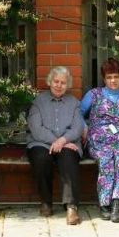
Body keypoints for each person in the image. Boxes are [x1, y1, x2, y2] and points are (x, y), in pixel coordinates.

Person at [81, 58, 119, 223]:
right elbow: (78, 113)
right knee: (106, 160)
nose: (113, 80)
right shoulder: (93, 95)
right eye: (109, 77)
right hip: (99, 139)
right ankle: (105, 205)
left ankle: (117, 204)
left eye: (116, 76)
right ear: (104, 79)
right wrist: (84, 127)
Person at [26, 66, 84, 225]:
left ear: (68, 84)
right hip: (42, 143)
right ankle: (46, 202)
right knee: (40, 157)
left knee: (68, 158)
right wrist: (55, 141)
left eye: (63, 83)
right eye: (56, 81)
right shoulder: (38, 101)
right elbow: (36, 128)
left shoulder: (74, 103)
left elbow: (78, 127)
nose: (59, 85)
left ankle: (71, 207)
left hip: (68, 144)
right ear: (50, 82)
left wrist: (63, 141)